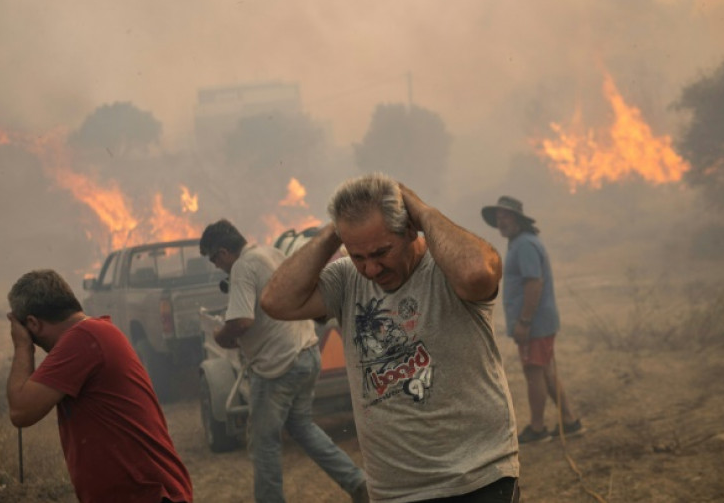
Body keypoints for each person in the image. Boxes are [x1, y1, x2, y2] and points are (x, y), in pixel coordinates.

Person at [261, 173, 520, 503]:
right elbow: (275, 301)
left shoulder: (447, 266)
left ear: (409, 229)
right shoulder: (346, 280)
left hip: (476, 479)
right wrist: (333, 232)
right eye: (358, 256)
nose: (371, 269)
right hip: (393, 492)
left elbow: (478, 274)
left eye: (381, 252)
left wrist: (422, 210)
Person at [199, 219, 368, 503]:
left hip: (276, 366)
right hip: (306, 353)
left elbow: (241, 321)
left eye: (215, 260)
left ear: (223, 252)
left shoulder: (242, 267)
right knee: (302, 427)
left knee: (263, 443)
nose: (218, 266)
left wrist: (219, 334)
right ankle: (357, 482)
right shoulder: (271, 253)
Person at [5, 269, 192, 503]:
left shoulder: (82, 339)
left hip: (148, 496)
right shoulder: (91, 333)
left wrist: (22, 347)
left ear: (32, 323)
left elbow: (21, 411)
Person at [481, 196, 582, 444]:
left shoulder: (525, 245)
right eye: (498, 217)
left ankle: (538, 428)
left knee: (533, 372)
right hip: (538, 322)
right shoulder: (519, 243)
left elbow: (534, 283)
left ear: (518, 219)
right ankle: (570, 421)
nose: (501, 221)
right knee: (545, 371)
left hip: (535, 324)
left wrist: (525, 321)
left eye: (506, 216)